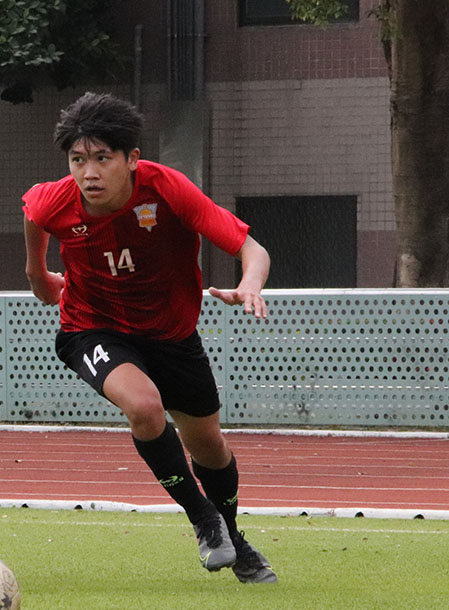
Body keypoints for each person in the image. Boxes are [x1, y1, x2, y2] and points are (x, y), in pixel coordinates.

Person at [22, 92, 276, 584]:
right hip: (91, 328)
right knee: (143, 406)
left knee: (210, 448)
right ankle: (205, 521)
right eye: (78, 159)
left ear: (132, 159)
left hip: (173, 336)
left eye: (102, 158)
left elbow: (251, 247)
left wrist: (249, 285)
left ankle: (232, 535)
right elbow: (36, 251)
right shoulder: (52, 202)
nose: (88, 172)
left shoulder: (168, 190)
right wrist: (41, 279)